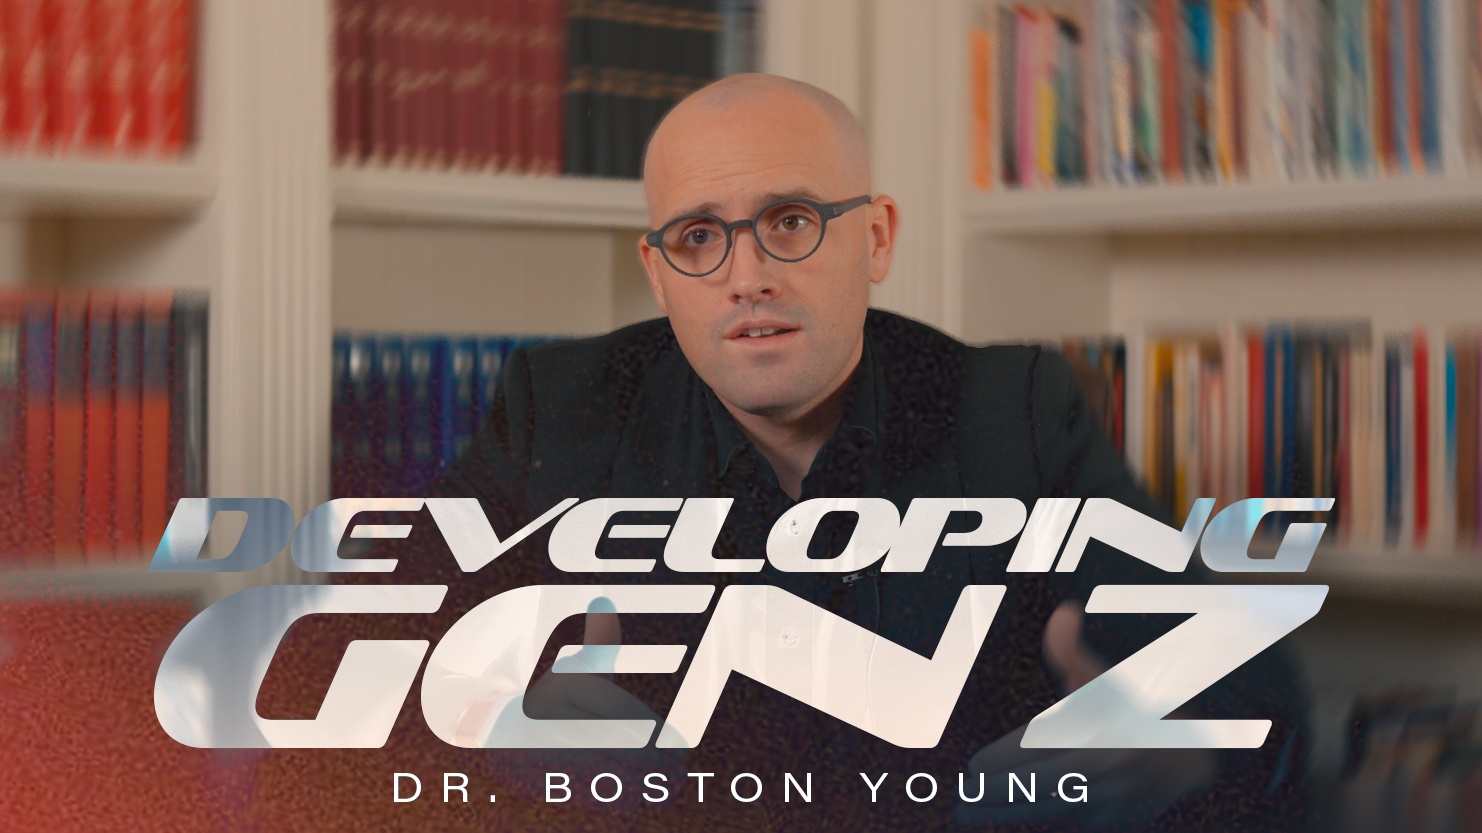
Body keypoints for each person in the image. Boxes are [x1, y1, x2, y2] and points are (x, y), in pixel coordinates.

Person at [258, 74, 1308, 832]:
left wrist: (1162, 750)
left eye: (792, 220)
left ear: (879, 237)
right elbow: (322, 681)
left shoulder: (1011, 409)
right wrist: (489, 730)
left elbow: (1258, 689)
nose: (745, 274)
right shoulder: (562, 410)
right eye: (699, 237)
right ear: (659, 272)